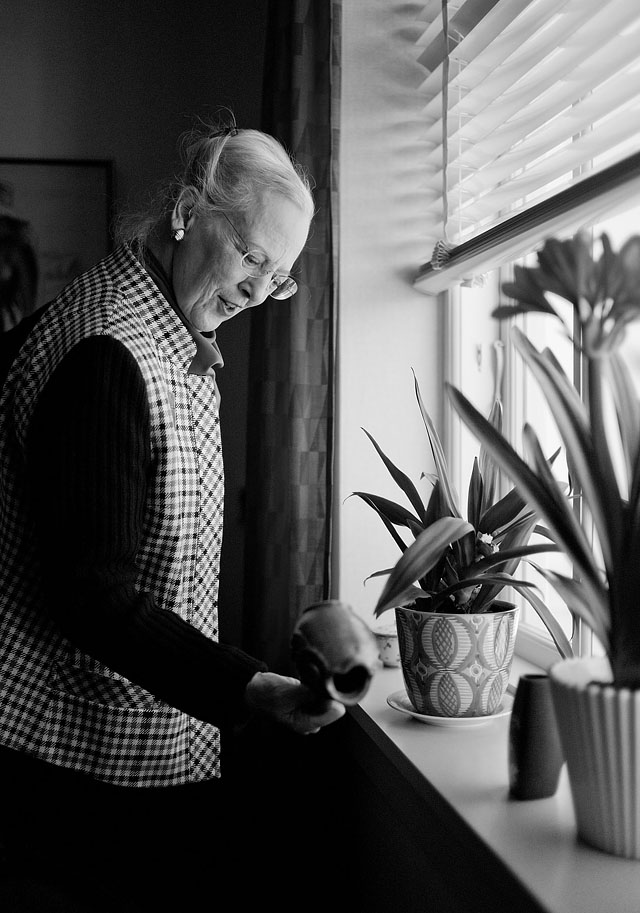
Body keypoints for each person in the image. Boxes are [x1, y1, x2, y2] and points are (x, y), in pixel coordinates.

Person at [0, 115, 345, 913]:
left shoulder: (172, 331)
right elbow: (93, 596)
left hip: (134, 753)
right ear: (188, 215)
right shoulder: (106, 352)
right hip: (73, 768)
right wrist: (252, 687)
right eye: (253, 256)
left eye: (280, 276)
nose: (260, 290)